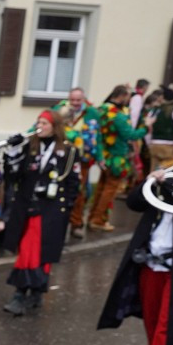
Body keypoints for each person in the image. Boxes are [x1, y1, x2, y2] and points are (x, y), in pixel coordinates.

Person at [98, 170, 173, 345]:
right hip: (150, 261)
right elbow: (135, 203)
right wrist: (150, 180)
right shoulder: (170, 173)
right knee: (153, 320)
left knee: (172, 325)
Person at [0, 110, 81, 316]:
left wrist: (65, 210)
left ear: (55, 126)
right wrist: (14, 149)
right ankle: (27, 291)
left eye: (45, 123)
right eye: (38, 122)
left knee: (40, 253)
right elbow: (12, 176)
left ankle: (28, 292)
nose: (40, 126)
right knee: (29, 251)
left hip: (51, 211)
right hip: (28, 208)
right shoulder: (29, 147)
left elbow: (73, 183)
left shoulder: (69, 152)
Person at [89, 85, 155, 233]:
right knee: (110, 190)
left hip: (104, 155)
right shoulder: (117, 115)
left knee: (102, 187)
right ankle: (98, 220)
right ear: (122, 96)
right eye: (128, 97)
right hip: (116, 157)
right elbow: (130, 135)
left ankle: (93, 217)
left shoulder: (102, 109)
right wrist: (146, 127)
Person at [55, 87, 103, 239]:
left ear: (84, 99)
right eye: (72, 100)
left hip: (82, 158)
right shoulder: (59, 109)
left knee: (79, 191)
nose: (75, 103)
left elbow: (98, 136)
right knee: (58, 189)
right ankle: (57, 222)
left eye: (78, 100)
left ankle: (76, 224)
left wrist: (100, 157)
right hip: (60, 156)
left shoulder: (92, 113)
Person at [147, 85, 173, 171]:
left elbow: (148, 129)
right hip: (169, 147)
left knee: (154, 173)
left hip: (154, 146)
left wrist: (150, 143)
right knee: (170, 174)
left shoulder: (154, 110)